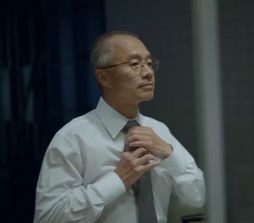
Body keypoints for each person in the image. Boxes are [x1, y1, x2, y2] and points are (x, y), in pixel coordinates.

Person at [34, 31, 205, 223]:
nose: (148, 72)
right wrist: (118, 180)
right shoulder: (72, 137)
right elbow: (47, 217)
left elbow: (197, 197)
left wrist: (169, 154)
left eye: (149, 63)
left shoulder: (159, 131)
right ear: (103, 77)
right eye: (134, 64)